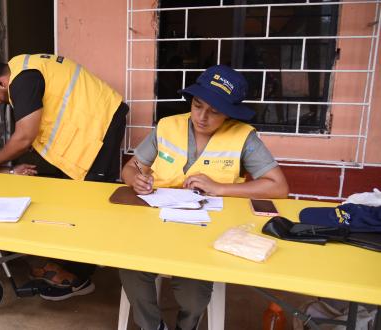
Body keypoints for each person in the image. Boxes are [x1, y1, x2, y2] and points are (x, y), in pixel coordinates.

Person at [119, 65, 289, 330]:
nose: (202, 117)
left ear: (230, 112)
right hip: (155, 221)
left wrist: (220, 188)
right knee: (130, 266)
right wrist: (135, 180)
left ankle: (186, 326)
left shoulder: (243, 136)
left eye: (215, 111)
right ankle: (151, 326)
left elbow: (278, 187)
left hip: (207, 228)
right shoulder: (167, 126)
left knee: (193, 291)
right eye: (198, 106)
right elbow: (130, 168)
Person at [0, 54, 129, 300]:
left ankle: (78, 277)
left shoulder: (22, 79)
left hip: (102, 123)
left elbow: (24, 136)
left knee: (92, 199)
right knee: (77, 194)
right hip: (97, 121)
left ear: (1, 83)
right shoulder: (27, 67)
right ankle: (74, 262)